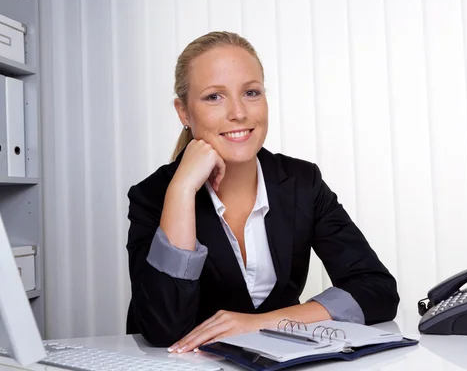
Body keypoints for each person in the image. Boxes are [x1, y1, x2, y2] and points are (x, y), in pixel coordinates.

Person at [125, 31, 399, 353]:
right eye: (214, 96)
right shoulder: (154, 195)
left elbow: (377, 289)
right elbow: (163, 329)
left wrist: (261, 322)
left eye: (251, 92)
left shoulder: (301, 182)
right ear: (184, 113)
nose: (239, 112)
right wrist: (183, 190)